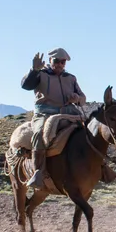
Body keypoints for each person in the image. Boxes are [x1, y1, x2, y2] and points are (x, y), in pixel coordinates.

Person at [20, 48, 86, 187]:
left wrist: (77, 98)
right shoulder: (40, 74)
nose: (60, 64)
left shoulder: (71, 78)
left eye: (63, 62)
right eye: (57, 61)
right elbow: (26, 85)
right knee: (39, 133)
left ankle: (101, 165)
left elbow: (83, 98)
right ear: (50, 61)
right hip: (45, 113)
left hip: (68, 112)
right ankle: (38, 172)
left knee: (90, 129)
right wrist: (34, 70)